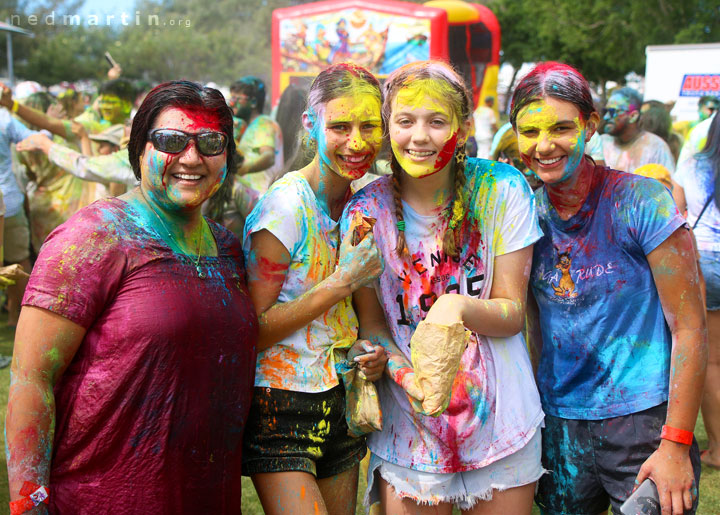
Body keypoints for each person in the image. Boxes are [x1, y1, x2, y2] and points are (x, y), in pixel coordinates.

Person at [6, 80, 258, 513]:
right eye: (171, 141)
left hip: (207, 494)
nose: (192, 157)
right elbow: (31, 380)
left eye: (210, 142)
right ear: (140, 150)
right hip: (104, 498)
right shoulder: (94, 238)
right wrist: (30, 502)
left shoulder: (229, 247)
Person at [344, 60, 545, 514]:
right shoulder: (364, 213)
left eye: (437, 121)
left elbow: (513, 313)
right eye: (405, 121)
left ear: (464, 125)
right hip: (409, 429)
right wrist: (398, 370)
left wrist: (458, 307)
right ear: (386, 125)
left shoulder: (501, 189)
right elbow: (374, 324)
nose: (420, 137)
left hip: (501, 419)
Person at [512, 61, 706, 515]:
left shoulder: (641, 201)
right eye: (529, 131)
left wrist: (675, 444)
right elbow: (535, 329)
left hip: (644, 424)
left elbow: (692, 329)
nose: (545, 145)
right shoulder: (524, 218)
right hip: (559, 425)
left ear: (590, 125)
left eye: (562, 128)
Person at [241, 63, 386, 515]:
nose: (357, 141)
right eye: (340, 126)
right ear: (311, 124)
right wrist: (339, 281)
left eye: (369, 126)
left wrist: (374, 348)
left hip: (342, 397)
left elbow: (366, 317)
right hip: (280, 406)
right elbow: (253, 330)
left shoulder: (361, 203)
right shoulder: (285, 207)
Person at [673, 112, 720, 470]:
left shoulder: (695, 152)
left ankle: (718, 447)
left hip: (707, 259)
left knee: (713, 360)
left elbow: (677, 208)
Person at [601, 87, 676, 174]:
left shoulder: (656, 147)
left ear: (633, 116)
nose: (606, 117)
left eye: (612, 112)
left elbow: (667, 185)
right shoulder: (602, 142)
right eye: (605, 111)